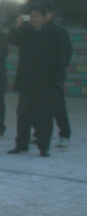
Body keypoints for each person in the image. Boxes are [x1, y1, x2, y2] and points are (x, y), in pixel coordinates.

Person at [7, 4, 65, 156]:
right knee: (23, 115)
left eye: (37, 16)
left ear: (43, 17)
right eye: (31, 16)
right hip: (27, 82)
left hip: (47, 82)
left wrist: (58, 80)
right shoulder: (25, 31)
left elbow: (60, 58)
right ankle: (21, 145)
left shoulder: (53, 33)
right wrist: (16, 25)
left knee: (45, 117)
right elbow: (12, 39)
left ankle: (43, 147)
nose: (34, 19)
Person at [43, 10, 73, 147]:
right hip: (39, 75)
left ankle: (64, 134)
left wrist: (59, 73)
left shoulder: (60, 31)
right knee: (38, 107)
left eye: (46, 12)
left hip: (55, 75)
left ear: (52, 13)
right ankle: (40, 134)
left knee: (58, 107)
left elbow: (66, 54)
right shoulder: (36, 29)